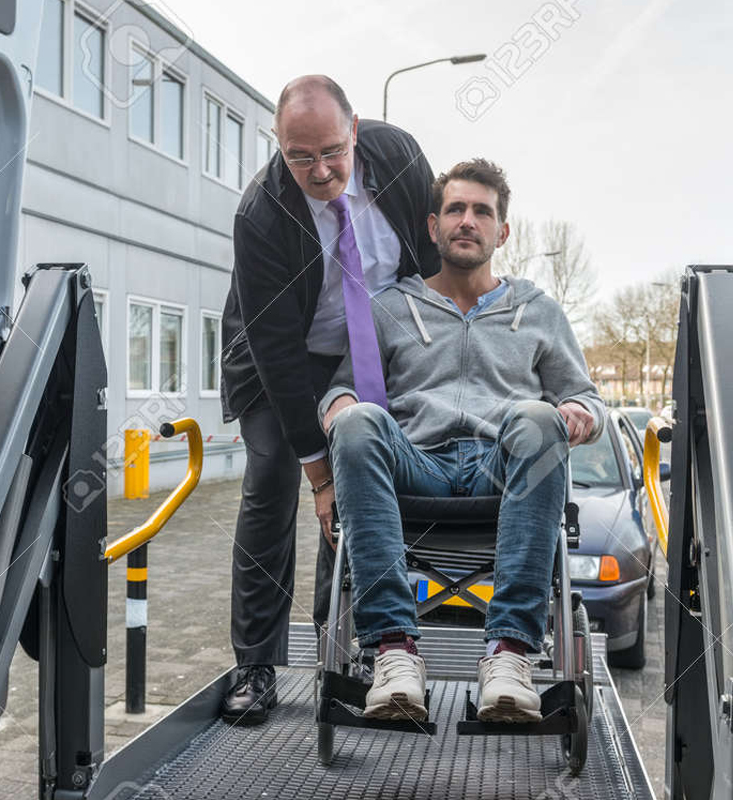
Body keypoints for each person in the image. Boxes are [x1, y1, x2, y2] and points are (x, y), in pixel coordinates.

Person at [319, 158, 606, 722]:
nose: (467, 221)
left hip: (501, 469)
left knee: (537, 417)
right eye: (455, 209)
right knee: (357, 422)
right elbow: (341, 389)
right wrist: (340, 407)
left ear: (503, 231)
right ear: (434, 227)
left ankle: (509, 654)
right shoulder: (390, 307)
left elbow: (586, 399)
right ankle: (394, 652)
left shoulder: (539, 312)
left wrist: (577, 412)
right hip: (417, 465)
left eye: (482, 212)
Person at [218, 75, 439, 724]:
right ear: (278, 146)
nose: (320, 171)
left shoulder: (398, 158)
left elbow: (429, 267)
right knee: (271, 481)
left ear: (355, 130)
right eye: (300, 156)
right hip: (280, 359)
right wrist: (316, 472)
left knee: (359, 484)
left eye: (332, 152)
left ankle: (341, 652)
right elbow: (277, 351)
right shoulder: (261, 214)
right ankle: (255, 664)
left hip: (366, 350)